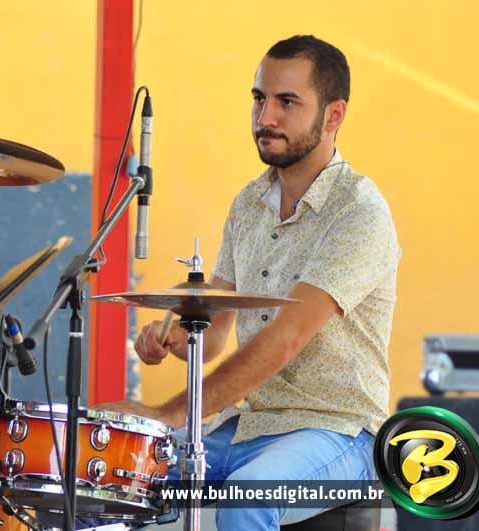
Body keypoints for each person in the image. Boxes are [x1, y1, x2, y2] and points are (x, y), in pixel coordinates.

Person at [99, 34, 401, 529]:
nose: (266, 117)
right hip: (248, 424)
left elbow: (285, 339)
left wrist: (170, 413)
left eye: (287, 102)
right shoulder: (249, 202)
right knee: (119, 471)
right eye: (260, 99)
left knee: (246, 497)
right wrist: (175, 334)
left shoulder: (358, 211)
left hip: (338, 431)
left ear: (334, 115)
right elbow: (216, 332)